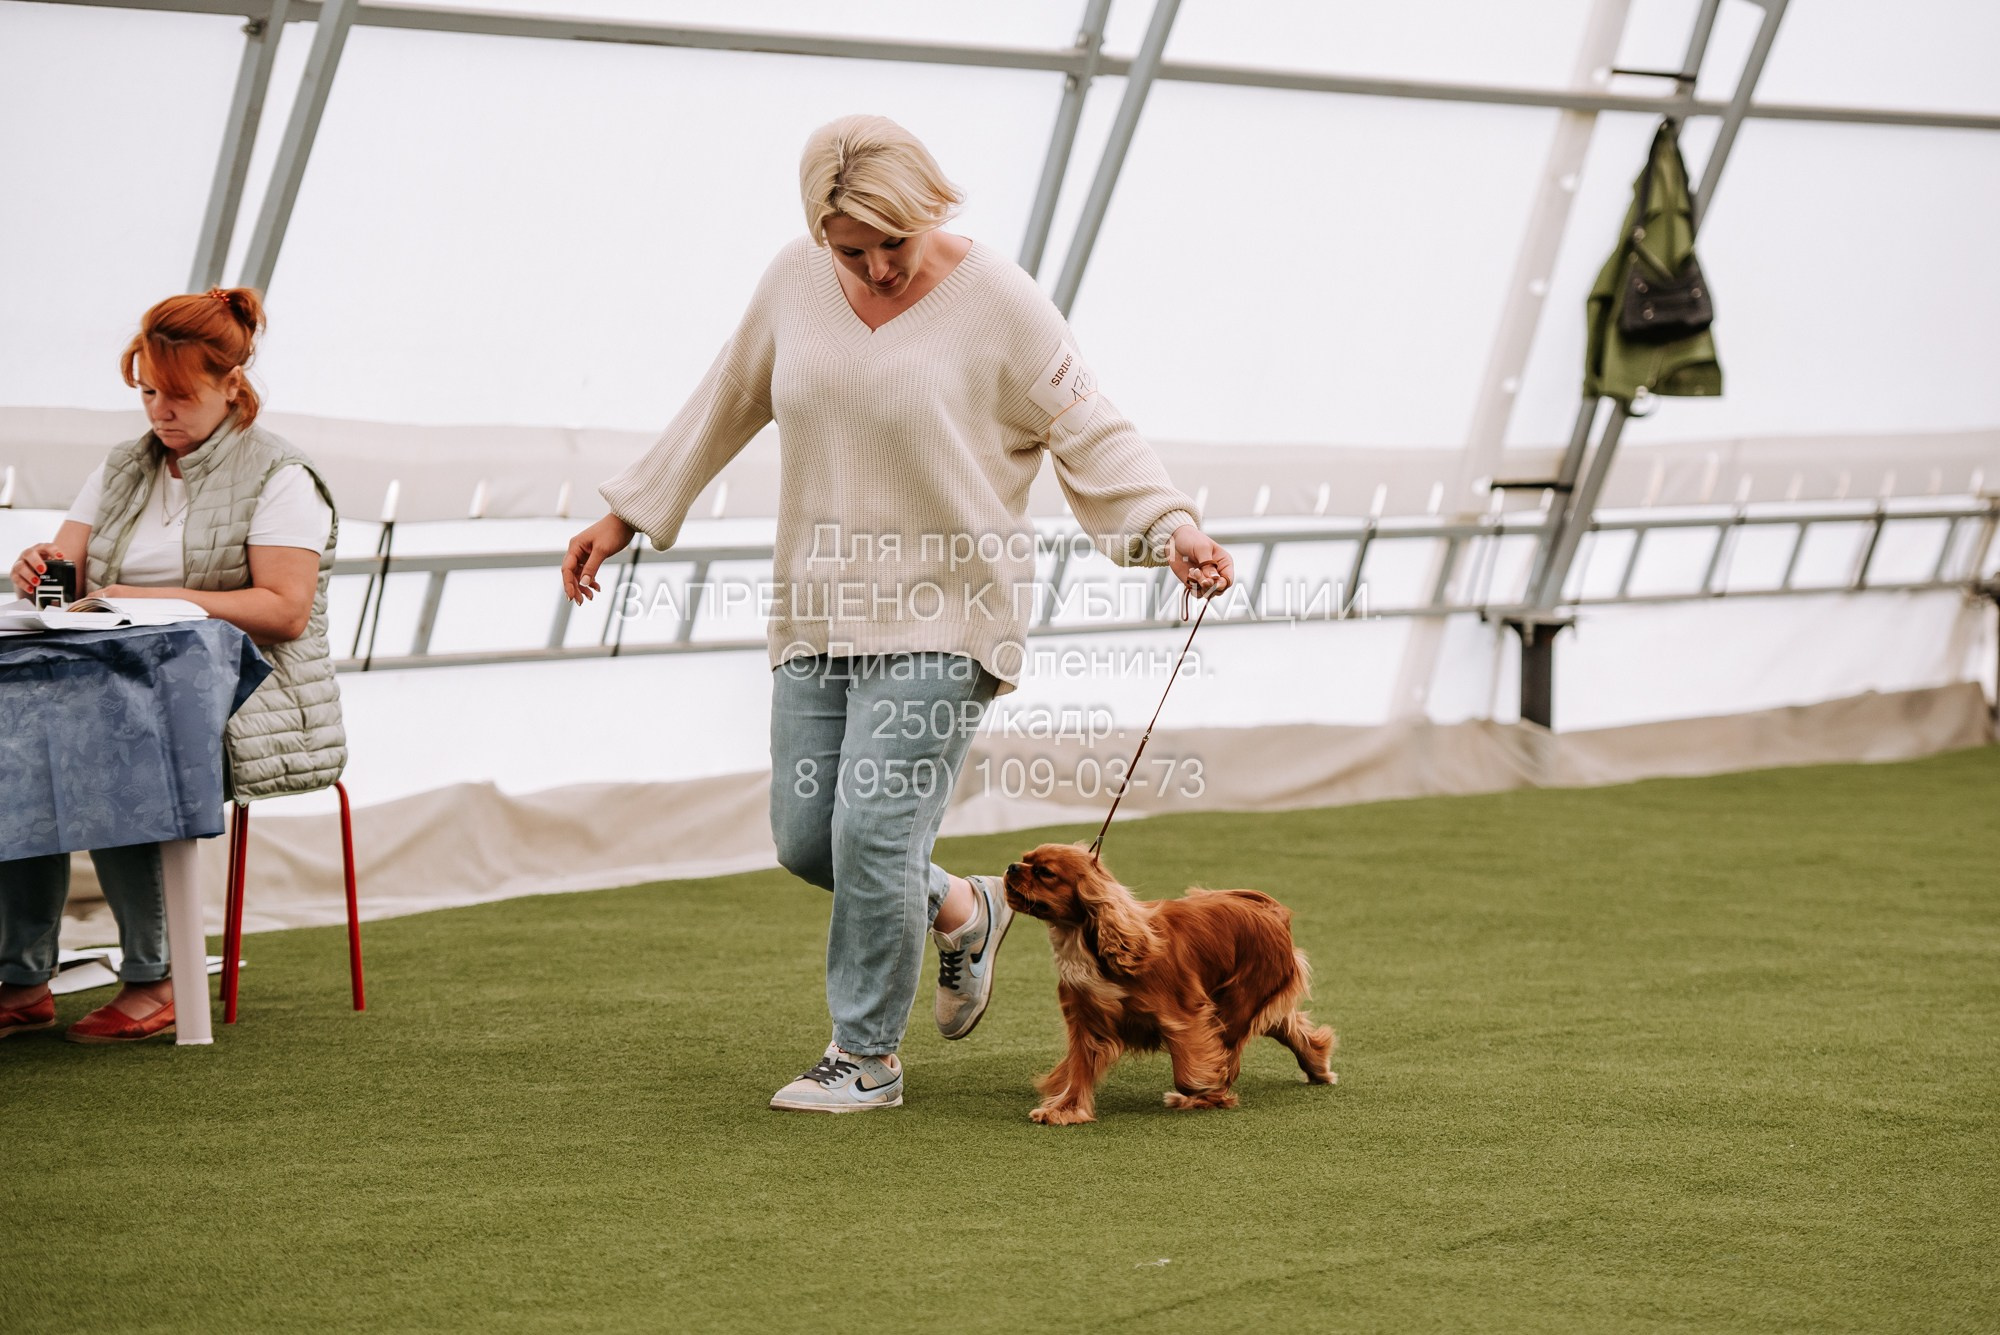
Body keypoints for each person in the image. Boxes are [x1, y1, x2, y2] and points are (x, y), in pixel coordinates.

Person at [563, 114, 1234, 1112]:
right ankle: (963, 908)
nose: (876, 268)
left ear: (932, 209)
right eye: (851, 250)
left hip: (950, 612)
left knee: (873, 832)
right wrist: (628, 511)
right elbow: (726, 396)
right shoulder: (792, 283)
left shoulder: (1000, 300)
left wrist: (1170, 526)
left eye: (893, 243)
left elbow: (1089, 427)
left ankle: (865, 1055)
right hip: (818, 607)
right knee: (809, 840)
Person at [0, 288, 346, 1044]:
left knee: (118, 747)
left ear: (231, 383)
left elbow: (285, 610)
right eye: (149, 392)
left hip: (248, 692)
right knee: (14, 747)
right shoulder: (125, 465)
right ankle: (20, 980)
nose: (160, 412)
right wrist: (38, 566)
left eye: (179, 395)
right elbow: (69, 568)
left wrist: (155, 599)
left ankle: (155, 978)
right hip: (119, 680)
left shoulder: (281, 474)